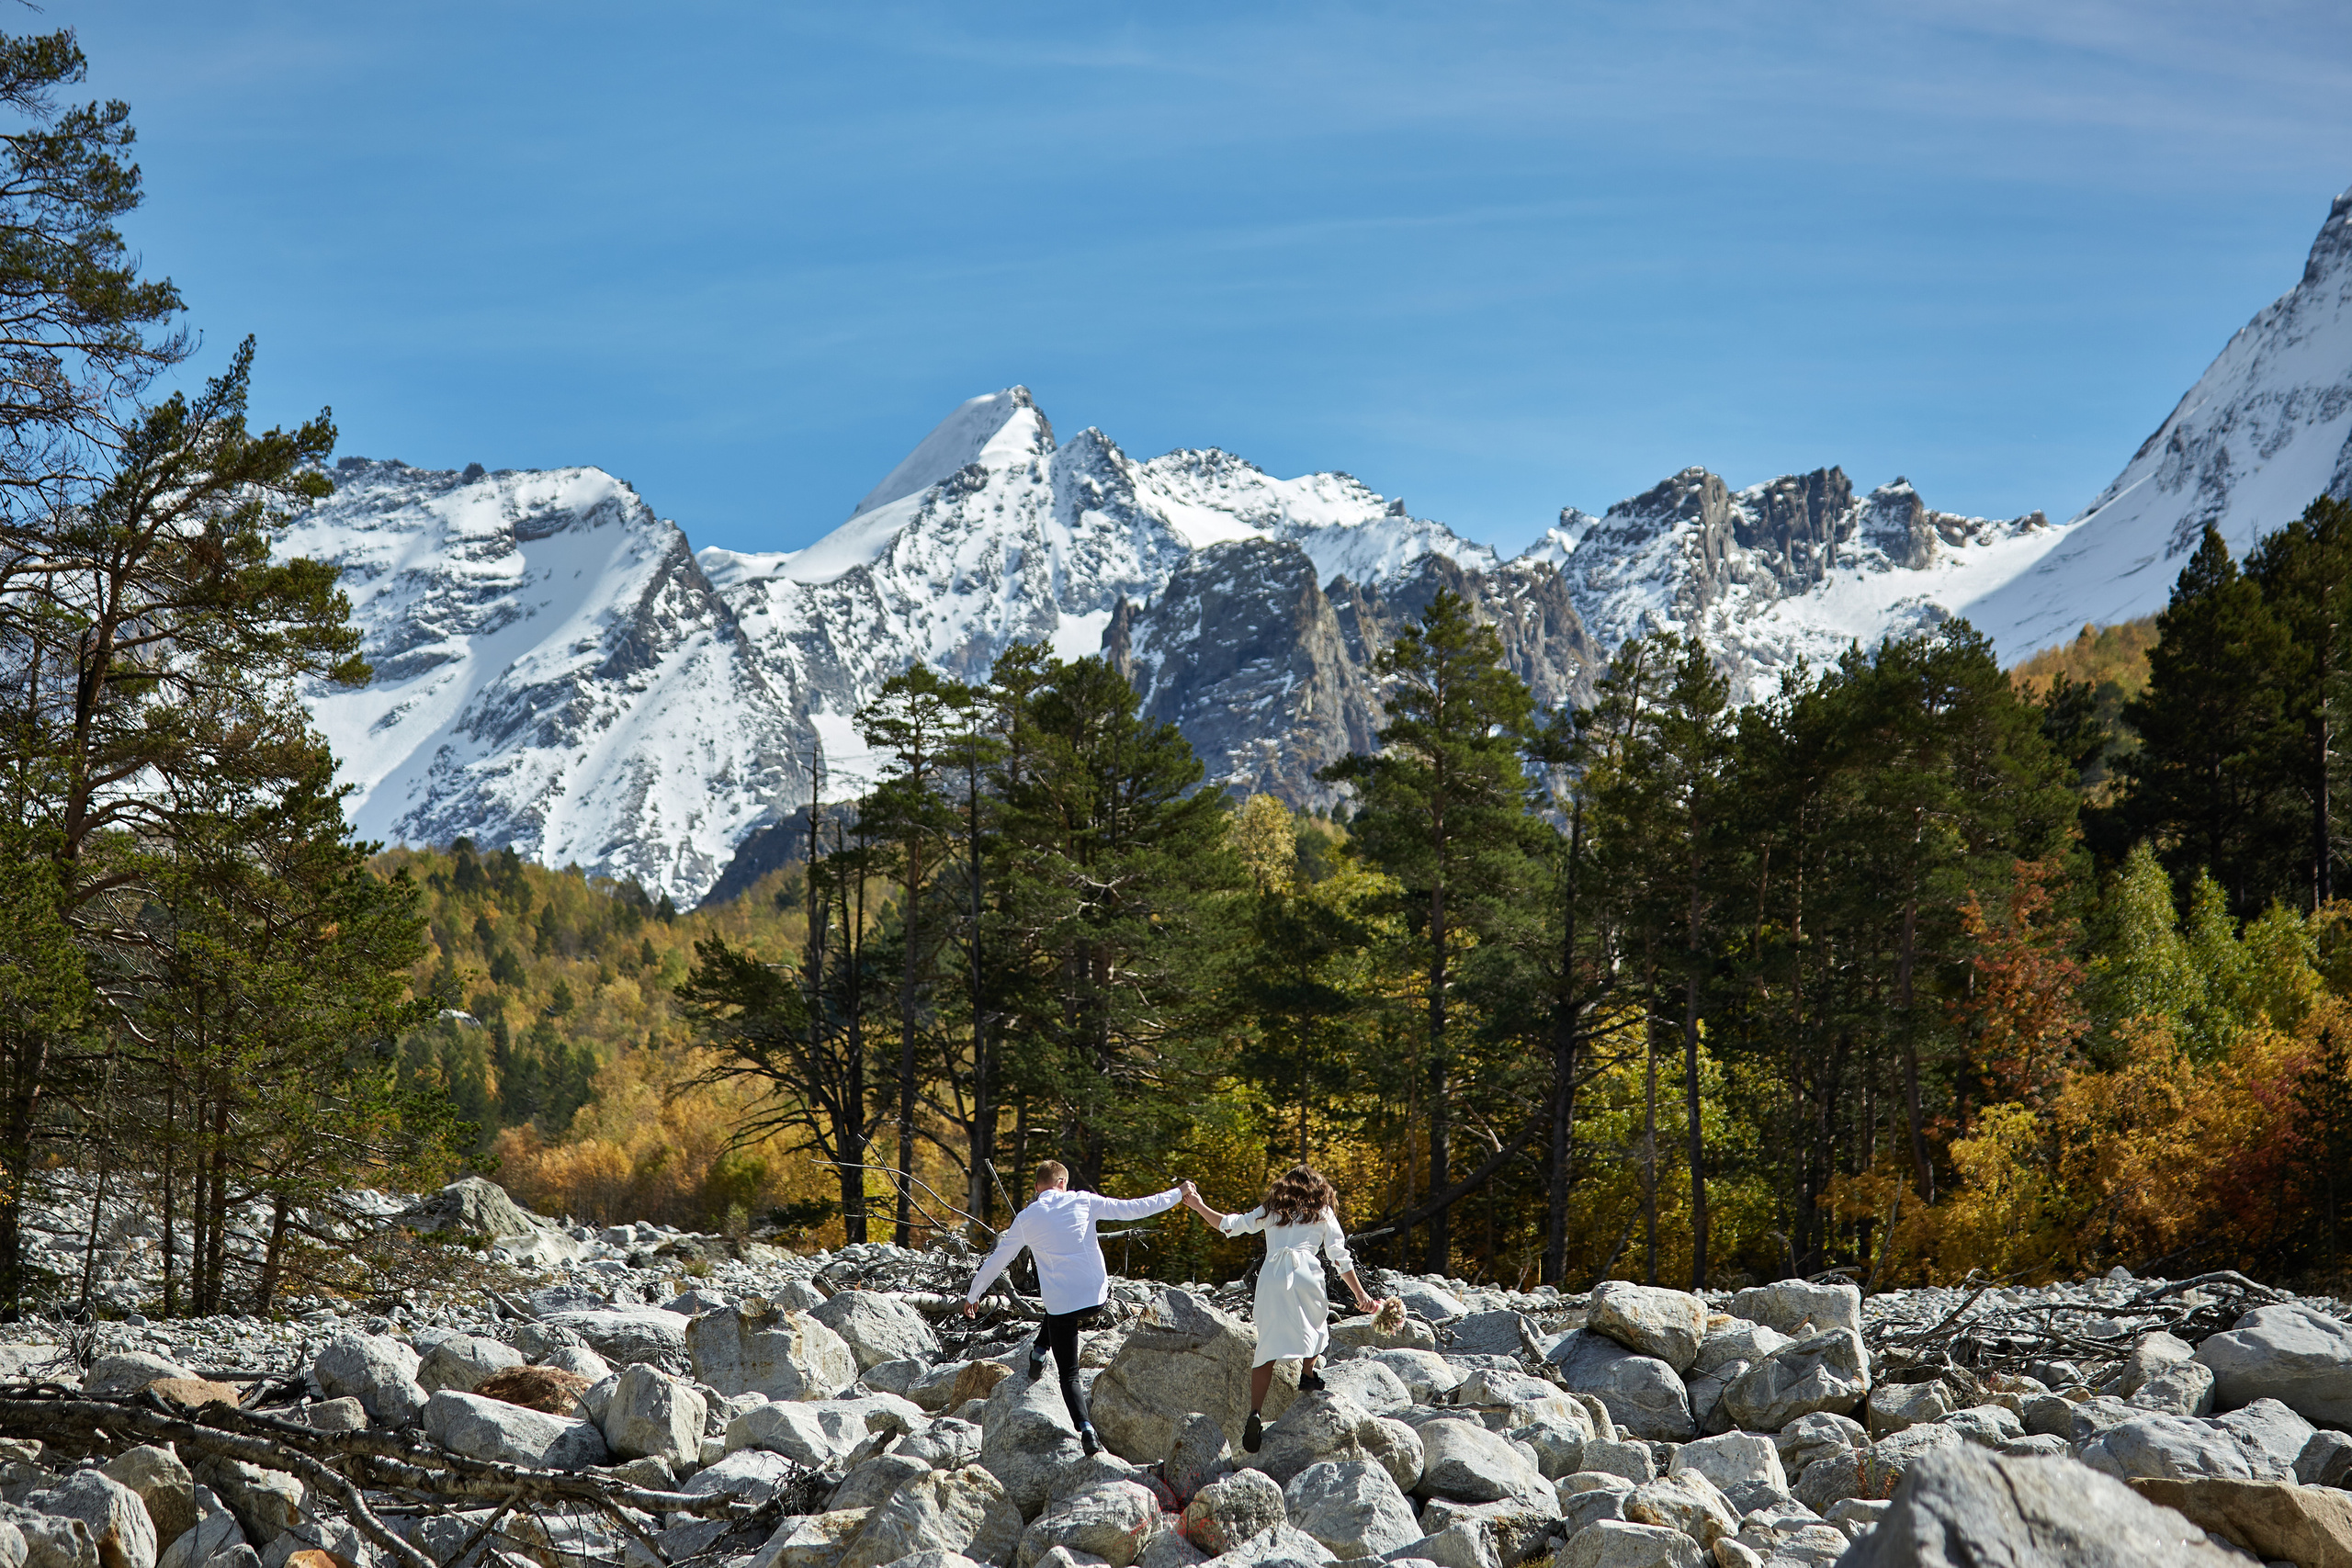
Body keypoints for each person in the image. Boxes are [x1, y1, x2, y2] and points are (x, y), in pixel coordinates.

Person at [964, 1159, 1183, 1455]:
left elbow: (997, 1260)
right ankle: (1038, 1353)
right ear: (1062, 1183)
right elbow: (1135, 1208)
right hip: (1096, 1298)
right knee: (1057, 1312)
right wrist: (1178, 1193)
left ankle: (1085, 1429)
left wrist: (973, 1294)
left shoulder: (1026, 1218)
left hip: (1063, 1306)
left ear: (1037, 1187)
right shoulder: (1084, 1200)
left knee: (1069, 1373)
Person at [1182, 1164, 1380, 1452]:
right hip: (1305, 1272)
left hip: (1272, 1275)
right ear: (1318, 1188)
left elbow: (1228, 1225)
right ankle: (1308, 1374)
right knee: (1316, 1324)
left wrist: (1198, 1205)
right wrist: (1362, 1295)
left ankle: (1255, 1413)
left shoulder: (1272, 1210)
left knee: (1267, 1345)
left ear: (1285, 1186)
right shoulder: (1322, 1212)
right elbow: (1340, 1257)